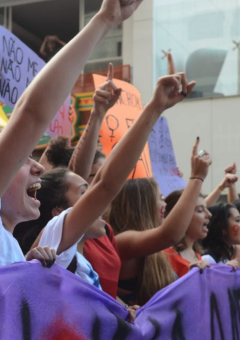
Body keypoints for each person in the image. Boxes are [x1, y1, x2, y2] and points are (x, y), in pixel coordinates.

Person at [0, 0, 151, 268]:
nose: (39, 166)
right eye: (21, 159)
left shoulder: (10, 248)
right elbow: (30, 116)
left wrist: (25, 275)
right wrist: (104, 21)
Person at [14, 64, 195, 290]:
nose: (96, 195)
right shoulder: (53, 243)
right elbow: (105, 184)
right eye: (84, 190)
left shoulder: (90, 249)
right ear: (59, 212)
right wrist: (153, 109)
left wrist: (120, 310)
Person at [107, 138, 210, 305]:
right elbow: (170, 235)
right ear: (142, 205)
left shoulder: (156, 251)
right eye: (161, 199)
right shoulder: (122, 241)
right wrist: (197, 177)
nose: (165, 205)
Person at [161, 190, 210, 278]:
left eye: (207, 209)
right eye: (200, 210)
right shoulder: (165, 256)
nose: (209, 214)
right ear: (181, 216)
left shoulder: (197, 255)